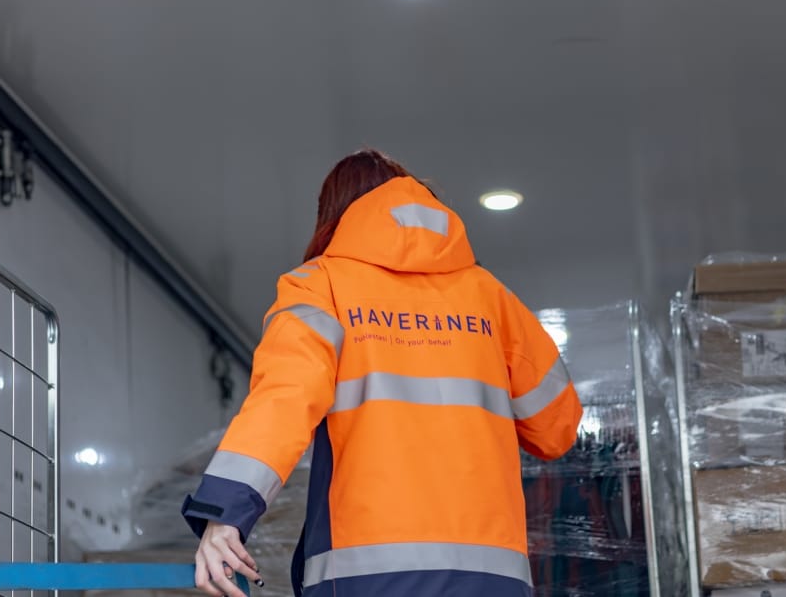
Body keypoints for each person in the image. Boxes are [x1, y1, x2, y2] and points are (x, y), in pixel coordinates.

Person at [183, 149, 583, 597]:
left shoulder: (319, 287)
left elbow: (284, 399)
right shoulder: (491, 297)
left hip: (368, 578)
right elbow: (557, 428)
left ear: (333, 215)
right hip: (491, 580)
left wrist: (225, 512)